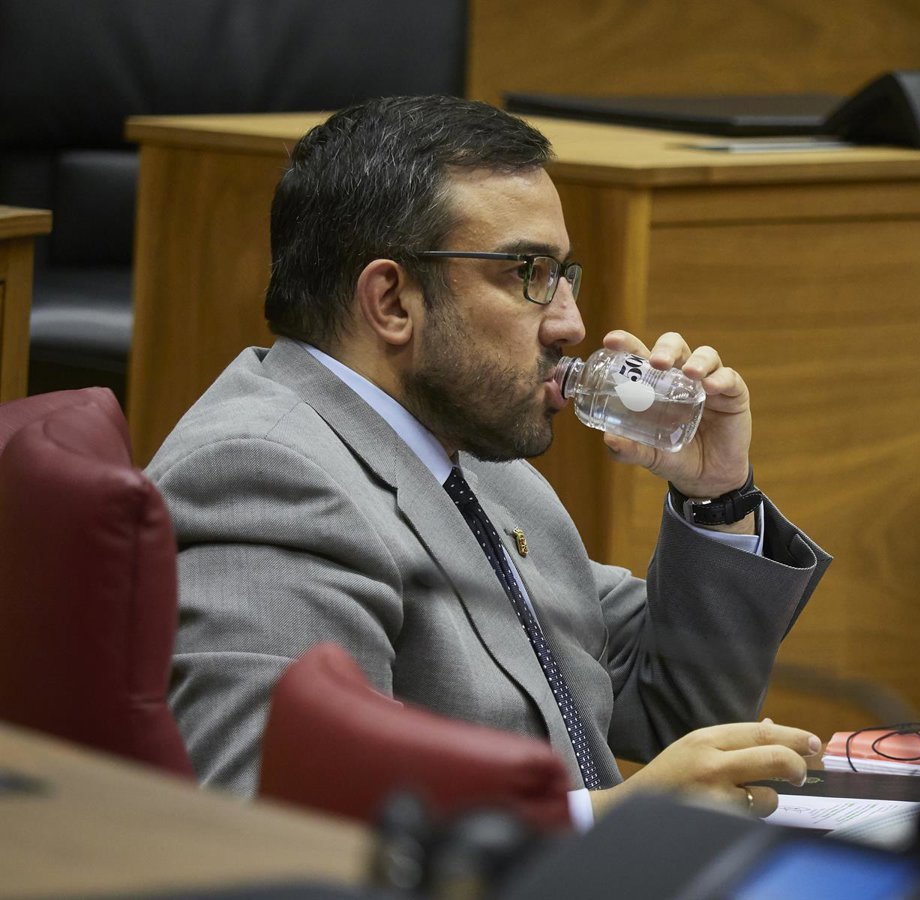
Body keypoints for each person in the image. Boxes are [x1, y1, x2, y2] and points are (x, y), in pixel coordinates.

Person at [148, 95, 831, 824]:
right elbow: (271, 821)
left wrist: (716, 497)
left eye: (565, 275)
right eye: (528, 273)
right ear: (392, 301)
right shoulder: (264, 479)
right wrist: (603, 821)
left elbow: (674, 709)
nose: (571, 323)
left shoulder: (476, 462)